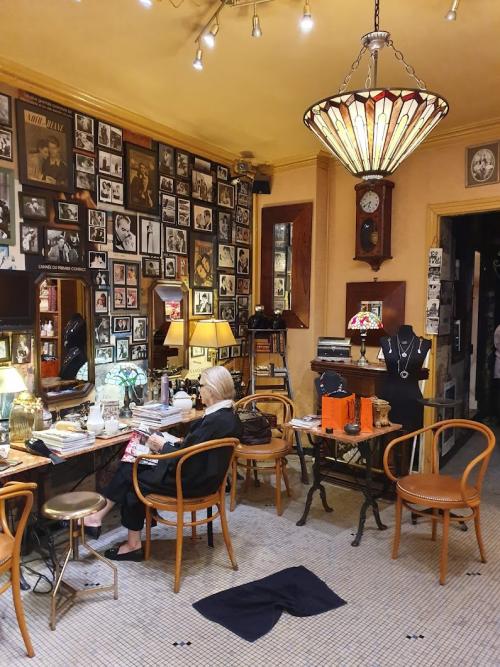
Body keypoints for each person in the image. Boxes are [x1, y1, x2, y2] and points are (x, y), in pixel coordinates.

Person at [83, 366, 242, 561]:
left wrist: (162, 446)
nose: (198, 390)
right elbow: (200, 449)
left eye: (201, 386)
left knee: (132, 473)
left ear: (212, 389)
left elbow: (188, 458)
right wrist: (177, 442)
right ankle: (109, 525)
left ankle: (125, 539)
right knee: (133, 468)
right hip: (205, 478)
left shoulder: (214, 420)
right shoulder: (228, 416)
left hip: (191, 482)